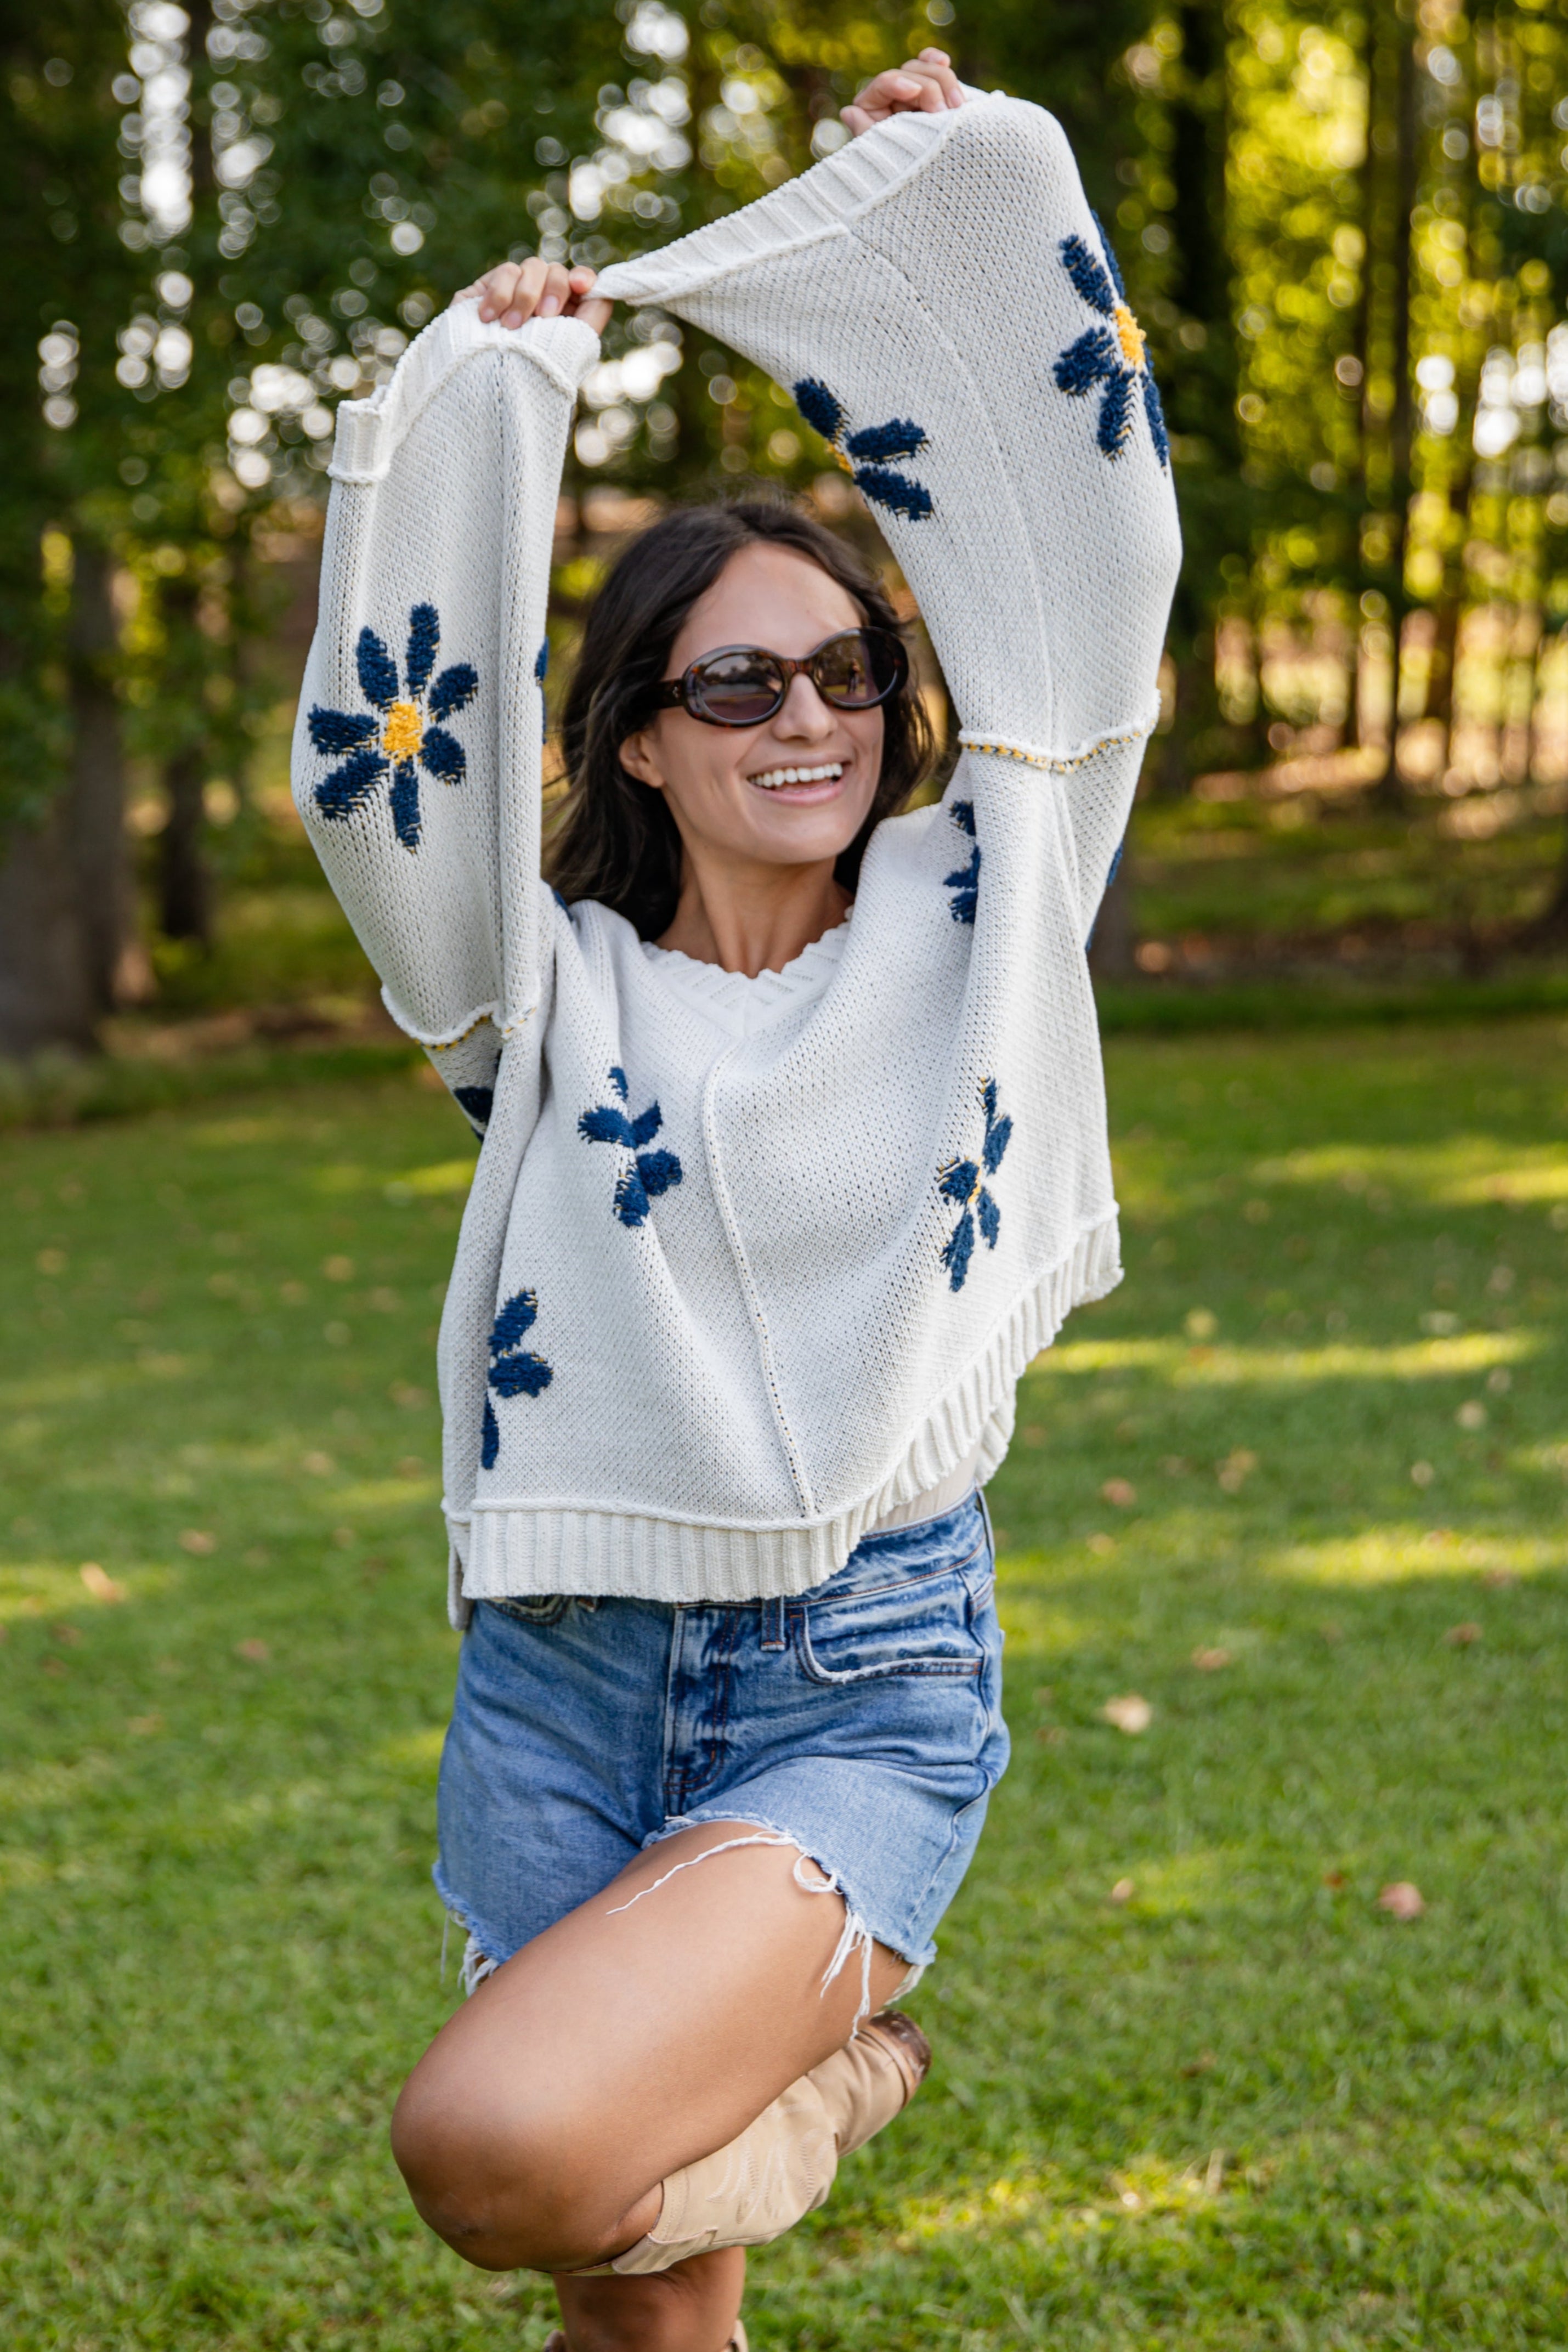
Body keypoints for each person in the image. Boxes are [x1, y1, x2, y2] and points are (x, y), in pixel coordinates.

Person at [291, 48, 1179, 2352]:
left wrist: (953, 225)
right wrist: (481, 408)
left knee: (506, 2153)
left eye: (850, 667)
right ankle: (791, 2076)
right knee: (643, 2304)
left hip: (857, 1675)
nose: (815, 711)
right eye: (738, 677)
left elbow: (1079, 562)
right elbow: (393, 776)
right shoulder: (533, 990)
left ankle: (848, 2057)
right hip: (565, 1688)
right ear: (639, 736)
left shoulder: (987, 900)